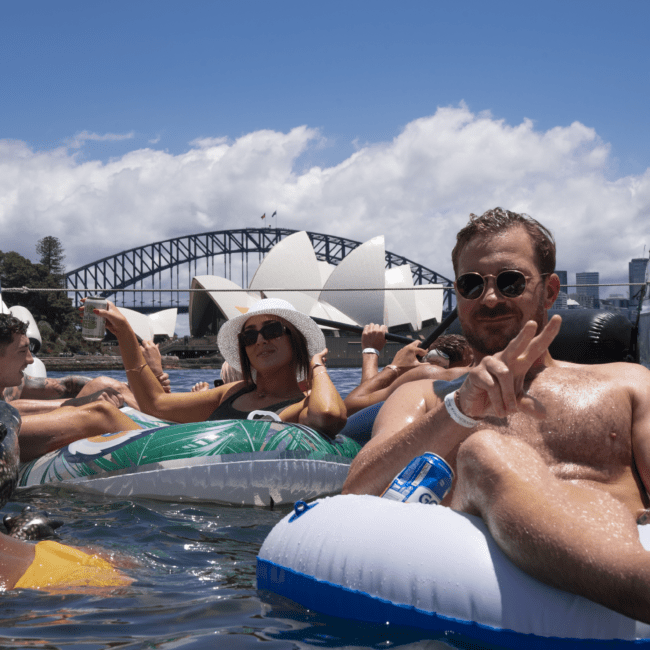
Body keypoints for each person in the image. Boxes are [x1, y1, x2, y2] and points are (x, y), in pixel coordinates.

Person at [342, 207, 650, 624]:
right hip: (485, 608)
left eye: (510, 281)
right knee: (483, 450)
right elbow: (356, 493)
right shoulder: (427, 397)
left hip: (624, 578)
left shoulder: (628, 384)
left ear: (549, 290)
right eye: (472, 285)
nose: (489, 298)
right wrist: (459, 409)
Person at [92, 297, 347, 438]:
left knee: (98, 414)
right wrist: (126, 335)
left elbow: (327, 416)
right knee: (99, 409)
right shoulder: (233, 391)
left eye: (272, 330)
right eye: (249, 336)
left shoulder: (301, 405)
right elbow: (155, 405)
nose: (260, 340)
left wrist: (316, 364)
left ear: (296, 340)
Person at [0, 314, 140, 462]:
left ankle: (156, 416)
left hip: (15, 426)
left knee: (104, 384)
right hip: (5, 434)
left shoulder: (15, 384)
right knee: (100, 414)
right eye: (22, 351)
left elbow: (65, 385)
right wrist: (79, 404)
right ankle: (160, 457)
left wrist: (133, 387)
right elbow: (7, 409)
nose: (30, 359)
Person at [344, 331, 473, 417]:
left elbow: (350, 408)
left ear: (435, 361)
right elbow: (371, 401)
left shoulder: (431, 374)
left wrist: (395, 366)